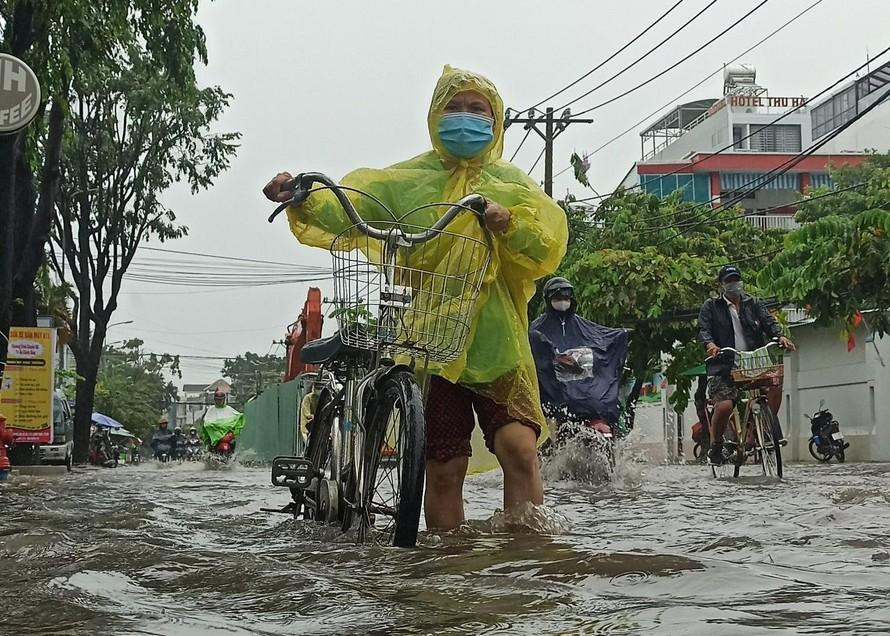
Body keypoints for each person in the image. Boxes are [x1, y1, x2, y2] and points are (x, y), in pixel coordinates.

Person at [263, 65, 567, 530]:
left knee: (520, 451)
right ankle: (449, 573)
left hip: (498, 343)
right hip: (433, 343)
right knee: (444, 467)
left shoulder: (514, 185)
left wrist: (511, 223)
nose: (465, 118)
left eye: (477, 110)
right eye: (454, 108)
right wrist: (303, 196)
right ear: (434, 116)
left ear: (496, 121)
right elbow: (356, 199)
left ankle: (523, 565)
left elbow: (547, 240)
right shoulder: (410, 180)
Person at [698, 264, 796, 465]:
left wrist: (780, 337)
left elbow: (770, 323)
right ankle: (716, 446)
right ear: (721, 286)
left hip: (754, 361)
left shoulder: (754, 304)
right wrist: (711, 345)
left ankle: (759, 429)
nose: (734, 285)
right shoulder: (711, 306)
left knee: (775, 381)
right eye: (729, 282)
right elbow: (703, 330)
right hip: (724, 365)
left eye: (736, 280)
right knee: (724, 406)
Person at [529, 277, 628, 441]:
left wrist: (622, 335)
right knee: (546, 439)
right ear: (548, 299)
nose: (563, 301)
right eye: (558, 297)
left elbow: (603, 339)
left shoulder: (583, 326)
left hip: (588, 399)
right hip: (552, 398)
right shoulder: (536, 330)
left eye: (566, 297)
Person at [199, 389, 245, 453]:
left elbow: (238, 418)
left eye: (221, 399)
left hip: (227, 436)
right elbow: (206, 423)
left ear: (224, 399)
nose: (219, 401)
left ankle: (232, 457)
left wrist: (232, 431)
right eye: (217, 399)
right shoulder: (211, 410)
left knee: (233, 443)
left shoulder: (229, 409)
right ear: (215, 400)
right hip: (214, 435)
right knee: (209, 447)